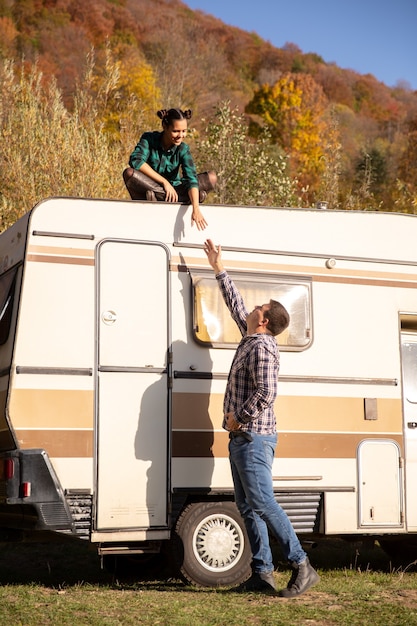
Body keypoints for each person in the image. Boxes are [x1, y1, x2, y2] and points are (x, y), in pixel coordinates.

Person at [203, 238, 320, 598]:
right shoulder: (251, 337)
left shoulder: (264, 346)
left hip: (253, 437)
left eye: (260, 306)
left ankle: (302, 565)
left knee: (263, 503)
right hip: (243, 439)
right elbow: (236, 305)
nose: (252, 307)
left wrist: (238, 418)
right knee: (248, 506)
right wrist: (218, 268)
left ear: (265, 319)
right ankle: (263, 573)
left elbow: (267, 393)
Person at [123, 108, 217, 231]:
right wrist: (164, 182)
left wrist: (196, 208)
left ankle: (162, 198)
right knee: (129, 173)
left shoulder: (183, 149)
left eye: (184, 131)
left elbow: (191, 177)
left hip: (175, 189)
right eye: (176, 131)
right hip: (152, 186)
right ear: (164, 126)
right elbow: (136, 161)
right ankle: (181, 198)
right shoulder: (149, 139)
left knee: (212, 177)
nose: (181, 135)